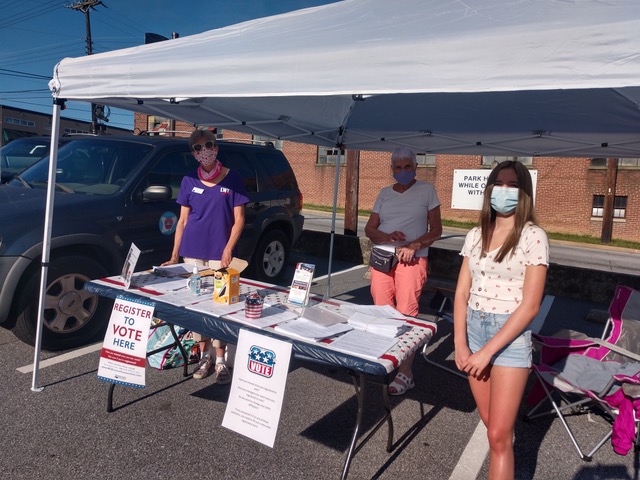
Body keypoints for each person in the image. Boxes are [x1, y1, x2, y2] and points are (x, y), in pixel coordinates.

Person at [453, 160, 549, 480]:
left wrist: (486, 352)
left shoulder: (533, 237)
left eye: (512, 185)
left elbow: (531, 306)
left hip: (509, 337)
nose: (504, 190)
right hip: (475, 330)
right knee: (491, 426)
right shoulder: (476, 234)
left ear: (524, 193)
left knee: (498, 436)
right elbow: (461, 293)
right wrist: (461, 345)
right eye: (499, 183)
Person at [162, 129, 249, 383]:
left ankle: (220, 359)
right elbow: (182, 221)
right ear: (193, 153)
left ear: (217, 148)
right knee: (198, 307)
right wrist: (175, 255)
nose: (204, 151)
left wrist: (228, 248)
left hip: (219, 254)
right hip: (192, 254)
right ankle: (204, 356)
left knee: (221, 305)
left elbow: (239, 219)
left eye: (208, 145)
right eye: (198, 148)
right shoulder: (189, 180)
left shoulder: (232, 179)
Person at [364, 147, 442, 395]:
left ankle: (406, 372)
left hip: (412, 258)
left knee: (407, 313)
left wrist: (415, 245)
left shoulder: (427, 190)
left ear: (415, 167)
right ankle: (387, 361)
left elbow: (436, 230)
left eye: (408, 166)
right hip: (383, 257)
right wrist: (387, 236)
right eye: (398, 167)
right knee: (382, 311)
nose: (403, 171)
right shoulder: (384, 193)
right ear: (392, 170)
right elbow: (369, 229)